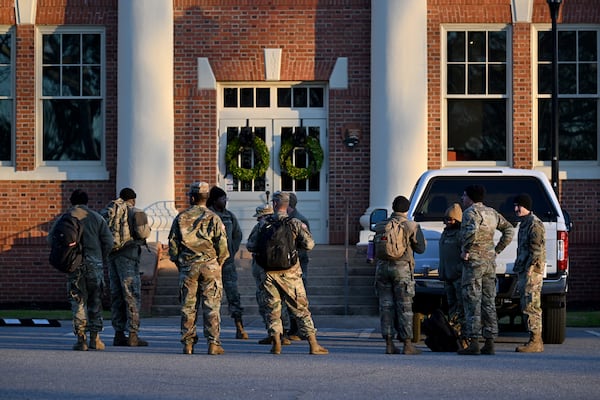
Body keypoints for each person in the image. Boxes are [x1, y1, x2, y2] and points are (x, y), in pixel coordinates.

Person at [247, 191, 328, 355]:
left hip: (268, 272)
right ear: (287, 204)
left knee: (273, 308)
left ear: (275, 204)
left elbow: (250, 245)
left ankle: (276, 343)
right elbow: (310, 245)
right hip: (290, 272)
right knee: (301, 308)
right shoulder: (295, 223)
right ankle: (313, 344)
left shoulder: (263, 223)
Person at [168, 182, 229, 355]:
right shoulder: (214, 218)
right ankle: (213, 343)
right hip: (210, 265)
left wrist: (180, 262)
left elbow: (173, 245)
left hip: (189, 266)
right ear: (207, 198)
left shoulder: (181, 217)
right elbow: (222, 246)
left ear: (192, 197)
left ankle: (188, 344)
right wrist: (218, 263)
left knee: (188, 306)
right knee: (212, 306)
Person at [48, 189, 113, 351]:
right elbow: (109, 242)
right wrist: (100, 257)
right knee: (95, 301)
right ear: (87, 201)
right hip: (94, 264)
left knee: (78, 301)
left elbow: (51, 239)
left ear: (71, 201)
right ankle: (95, 338)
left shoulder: (65, 218)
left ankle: (80, 339)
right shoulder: (96, 217)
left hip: (74, 266)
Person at [458, 184, 514, 355]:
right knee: (489, 301)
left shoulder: (470, 213)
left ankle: (474, 341)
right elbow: (509, 230)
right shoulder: (492, 212)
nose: (462, 198)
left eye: (464, 195)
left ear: (470, 197)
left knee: (472, 300)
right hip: (489, 263)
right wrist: (496, 250)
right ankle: (490, 342)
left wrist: (466, 249)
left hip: (474, 263)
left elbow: (471, 232)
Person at [374, 195, 426, 355]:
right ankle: (407, 344)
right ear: (407, 209)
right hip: (402, 270)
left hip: (382, 269)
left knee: (386, 306)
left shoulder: (381, 225)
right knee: (404, 307)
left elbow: (373, 247)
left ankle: (389, 344)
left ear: (393, 208)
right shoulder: (411, 226)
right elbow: (421, 248)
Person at [107, 188, 151, 347]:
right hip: (128, 255)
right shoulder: (136, 212)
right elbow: (143, 234)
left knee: (117, 294)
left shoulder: (112, 211)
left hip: (112, 256)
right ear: (133, 199)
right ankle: (133, 335)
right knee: (131, 294)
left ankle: (118, 334)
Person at [246, 203, 292, 346]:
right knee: (281, 302)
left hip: (263, 269)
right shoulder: (284, 225)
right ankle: (283, 333)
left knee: (266, 301)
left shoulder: (260, 228)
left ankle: (273, 333)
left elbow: (250, 245)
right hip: (283, 268)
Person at [207, 186, 247, 339]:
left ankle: (239, 326)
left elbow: (237, 234)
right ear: (215, 200)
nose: (225, 201)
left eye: (225, 199)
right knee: (211, 298)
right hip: (211, 264)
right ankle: (213, 331)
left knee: (233, 295)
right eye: (222, 199)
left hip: (228, 264)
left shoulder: (229, 216)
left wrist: (232, 251)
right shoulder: (208, 216)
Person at [513, 193, 546, 353]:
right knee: (526, 304)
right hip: (524, 269)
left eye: (519, 205)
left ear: (527, 206)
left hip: (531, 272)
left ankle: (536, 341)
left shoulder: (534, 224)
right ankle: (533, 339)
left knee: (531, 305)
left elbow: (536, 251)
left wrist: (529, 270)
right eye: (515, 205)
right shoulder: (524, 223)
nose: (516, 208)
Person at [438, 203, 465, 341]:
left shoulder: (460, 234)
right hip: (447, 276)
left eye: (451, 220)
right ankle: (454, 330)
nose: (448, 222)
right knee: (451, 305)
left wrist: (459, 270)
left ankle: (461, 333)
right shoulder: (445, 233)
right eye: (447, 219)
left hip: (458, 277)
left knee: (461, 305)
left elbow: (466, 254)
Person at [284, 192, 309, 340]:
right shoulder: (286, 220)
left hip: (298, 264)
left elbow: (306, 244)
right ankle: (292, 329)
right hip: (286, 265)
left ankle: (302, 330)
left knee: (298, 298)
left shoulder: (300, 220)